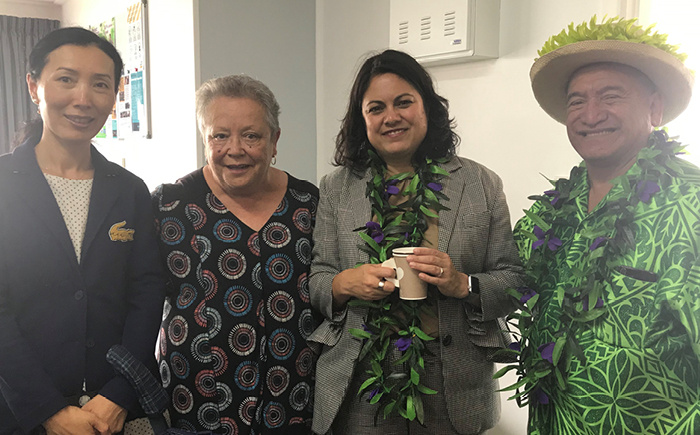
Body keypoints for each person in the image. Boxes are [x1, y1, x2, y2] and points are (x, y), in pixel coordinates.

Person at [309, 49, 525, 435]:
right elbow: (319, 277)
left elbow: (512, 280)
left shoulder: (480, 184)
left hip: (453, 382)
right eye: (376, 108)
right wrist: (345, 283)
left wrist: (463, 284)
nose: (391, 117)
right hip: (361, 384)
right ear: (363, 120)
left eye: (403, 102)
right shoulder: (337, 189)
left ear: (427, 107)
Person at [508, 17, 700, 435]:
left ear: (654, 108)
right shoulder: (554, 211)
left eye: (610, 96)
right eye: (577, 101)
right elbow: (504, 277)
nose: (591, 115)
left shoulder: (692, 202)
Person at [0, 27, 166, 434]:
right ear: (33, 86)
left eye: (100, 84)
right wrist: (48, 411)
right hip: (20, 409)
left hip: (111, 412)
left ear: (114, 95)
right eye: (66, 79)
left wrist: (120, 394)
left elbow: (146, 295)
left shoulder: (129, 190)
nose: (83, 99)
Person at [152, 74, 318, 434]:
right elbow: (138, 298)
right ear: (205, 139)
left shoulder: (309, 203)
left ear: (274, 140)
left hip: (293, 402)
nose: (235, 149)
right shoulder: (169, 205)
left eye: (252, 135)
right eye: (220, 135)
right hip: (197, 405)